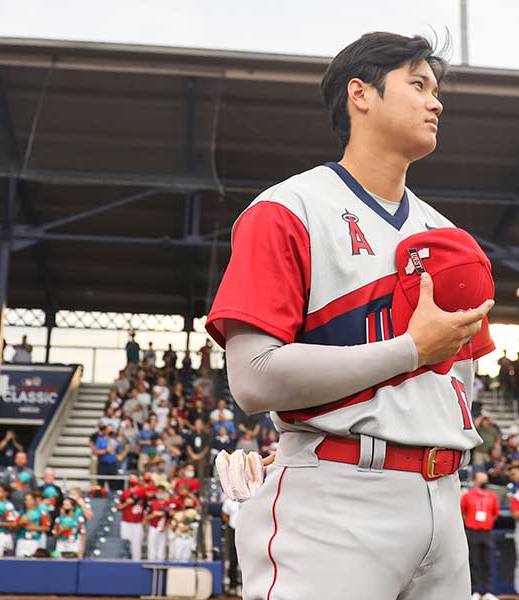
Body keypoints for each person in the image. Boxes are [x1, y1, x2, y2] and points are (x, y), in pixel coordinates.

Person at [208, 33, 495, 600]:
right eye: (418, 85)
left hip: (443, 494)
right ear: (359, 94)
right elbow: (252, 377)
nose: (436, 102)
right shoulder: (286, 209)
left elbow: (456, 387)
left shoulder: (449, 238)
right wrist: (409, 352)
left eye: (436, 90)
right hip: (336, 500)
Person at [461, 471, 499, 600]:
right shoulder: (467, 496)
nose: (485, 481)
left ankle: (488, 591)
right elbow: (463, 513)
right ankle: (475, 591)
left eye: (485, 479)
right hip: (473, 532)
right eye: (482, 479)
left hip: (487, 532)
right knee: (474, 562)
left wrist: (487, 523)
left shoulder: (492, 496)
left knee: (488, 562)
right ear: (475, 481)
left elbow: (495, 513)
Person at [117, 476, 146, 560]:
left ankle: (136, 562)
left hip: (138, 522)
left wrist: (124, 505)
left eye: (134, 478)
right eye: (131, 479)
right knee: (125, 543)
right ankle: (125, 561)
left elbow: (132, 500)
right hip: (126, 521)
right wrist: (123, 505)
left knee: (136, 545)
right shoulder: (125, 492)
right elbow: (119, 506)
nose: (132, 480)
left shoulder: (141, 490)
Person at [16, 491, 49, 557]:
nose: (27, 502)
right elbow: (15, 529)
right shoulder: (21, 512)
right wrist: (21, 523)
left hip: (34, 540)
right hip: (22, 540)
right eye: (26, 500)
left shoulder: (41, 512)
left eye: (30, 500)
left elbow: (47, 528)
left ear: (34, 500)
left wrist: (35, 528)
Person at [221, 495, 242, 596]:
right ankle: (233, 586)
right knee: (233, 559)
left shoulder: (249, 499)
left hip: (246, 532)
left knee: (245, 561)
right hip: (233, 531)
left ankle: (242, 586)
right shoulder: (229, 501)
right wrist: (230, 524)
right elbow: (224, 514)